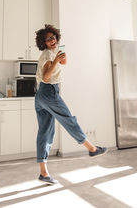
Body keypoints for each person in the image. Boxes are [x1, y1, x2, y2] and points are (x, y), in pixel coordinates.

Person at [35, 24, 107, 185]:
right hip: (48, 92)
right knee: (69, 120)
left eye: (53, 37)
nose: (52, 40)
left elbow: (64, 62)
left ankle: (43, 173)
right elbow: (46, 77)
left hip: (40, 96)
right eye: (48, 39)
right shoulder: (47, 55)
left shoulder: (53, 52)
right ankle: (92, 149)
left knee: (45, 132)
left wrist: (60, 56)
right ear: (43, 43)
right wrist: (55, 61)